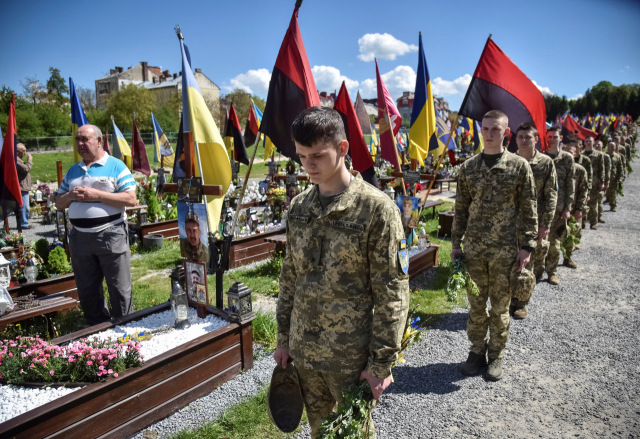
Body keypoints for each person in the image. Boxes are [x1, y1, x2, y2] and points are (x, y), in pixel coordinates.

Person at [274, 106, 409, 438]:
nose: (308, 165)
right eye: (302, 156)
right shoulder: (299, 207)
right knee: (319, 430)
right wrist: (283, 338)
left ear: (343, 149)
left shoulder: (377, 210)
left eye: (317, 155)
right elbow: (290, 275)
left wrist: (380, 364)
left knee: (354, 433)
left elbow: (392, 291)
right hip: (305, 351)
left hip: (351, 357)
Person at [452, 110, 537, 381]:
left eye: (495, 129)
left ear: (506, 133)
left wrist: (528, 246)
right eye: (485, 129)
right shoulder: (468, 167)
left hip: (505, 253)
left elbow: (529, 208)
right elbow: (460, 209)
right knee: (476, 307)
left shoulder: (518, 166)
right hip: (475, 251)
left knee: (500, 308)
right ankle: (476, 350)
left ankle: (496, 354)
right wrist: (455, 244)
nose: (489, 134)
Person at [56, 124, 137, 326]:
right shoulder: (73, 171)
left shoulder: (116, 166)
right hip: (79, 238)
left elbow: (130, 199)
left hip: (110, 234)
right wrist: (70, 195)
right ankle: (98, 332)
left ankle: (125, 329)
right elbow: (58, 202)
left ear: (99, 140)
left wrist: (96, 195)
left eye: (85, 139)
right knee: (87, 289)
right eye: (78, 140)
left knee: (119, 288)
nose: (80, 144)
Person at [513, 122, 557, 319]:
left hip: (533, 222)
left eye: (527, 137)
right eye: (520, 136)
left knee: (527, 263)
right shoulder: (510, 161)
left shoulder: (546, 163)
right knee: (507, 261)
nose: (523, 140)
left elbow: (551, 195)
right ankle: (505, 298)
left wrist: (545, 224)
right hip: (508, 222)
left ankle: (521, 303)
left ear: (536, 139)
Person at [542, 126, 575, 286]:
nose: (552, 140)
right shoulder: (541, 157)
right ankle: (537, 269)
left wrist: (568, 207)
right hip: (543, 208)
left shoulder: (567, 158)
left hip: (559, 209)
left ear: (560, 138)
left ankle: (552, 272)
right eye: (549, 137)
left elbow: (570, 184)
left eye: (555, 137)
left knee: (555, 244)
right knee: (540, 242)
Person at [562, 142, 588, 269]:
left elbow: (584, 190)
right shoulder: (557, 167)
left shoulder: (580, 170)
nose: (568, 156)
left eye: (571, 153)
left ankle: (568, 258)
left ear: (576, 154)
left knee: (571, 234)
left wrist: (579, 208)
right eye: (566, 153)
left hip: (573, 208)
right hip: (558, 208)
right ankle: (549, 263)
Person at [583, 136, 605, 230]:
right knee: (583, 203)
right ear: (584, 143)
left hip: (595, 182)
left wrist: (602, 181)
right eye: (587, 141)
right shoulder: (582, 154)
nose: (588, 143)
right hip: (583, 182)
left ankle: (593, 223)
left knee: (593, 203)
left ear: (593, 142)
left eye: (590, 141)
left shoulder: (598, 155)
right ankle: (582, 222)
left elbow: (602, 169)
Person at [15, 144, 33, 229]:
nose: (25, 153)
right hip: (21, 187)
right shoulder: (17, 161)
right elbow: (26, 169)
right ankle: (24, 224)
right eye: (23, 151)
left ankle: (24, 222)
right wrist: (29, 160)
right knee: (24, 206)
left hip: (24, 186)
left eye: (25, 150)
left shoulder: (20, 160)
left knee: (25, 206)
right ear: (17, 151)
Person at [594, 139, 611, 223]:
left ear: (602, 146)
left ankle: (599, 216)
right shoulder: (592, 155)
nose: (597, 146)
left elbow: (607, 170)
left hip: (601, 182)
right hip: (592, 181)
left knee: (599, 200)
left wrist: (606, 182)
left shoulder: (605, 156)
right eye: (596, 144)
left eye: (599, 145)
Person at [606, 142, 624, 212]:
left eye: (613, 146)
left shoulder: (617, 156)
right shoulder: (604, 155)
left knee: (613, 192)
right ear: (607, 147)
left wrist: (620, 177)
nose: (612, 148)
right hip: (604, 178)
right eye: (610, 146)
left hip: (613, 177)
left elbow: (620, 167)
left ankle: (612, 206)